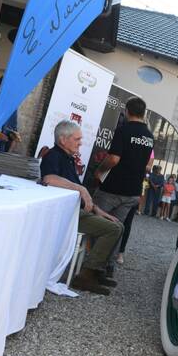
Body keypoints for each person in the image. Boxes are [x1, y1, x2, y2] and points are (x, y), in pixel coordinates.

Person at [40, 120, 122, 295]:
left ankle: (96, 270)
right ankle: (86, 275)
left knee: (118, 225)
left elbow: (78, 192)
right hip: (67, 216)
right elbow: (48, 179)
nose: (80, 143)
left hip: (77, 212)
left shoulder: (68, 159)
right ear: (63, 140)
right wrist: (80, 188)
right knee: (113, 229)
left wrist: (98, 211)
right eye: (77, 139)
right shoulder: (53, 156)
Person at [93, 97, 154, 272]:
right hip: (133, 190)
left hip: (113, 187)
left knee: (99, 224)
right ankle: (108, 266)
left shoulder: (124, 130)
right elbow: (146, 164)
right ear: (143, 113)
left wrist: (99, 170)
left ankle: (93, 266)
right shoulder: (149, 136)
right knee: (118, 228)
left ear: (127, 111)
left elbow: (113, 158)